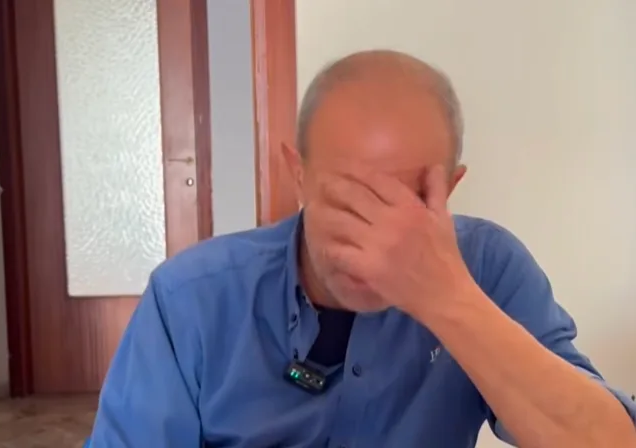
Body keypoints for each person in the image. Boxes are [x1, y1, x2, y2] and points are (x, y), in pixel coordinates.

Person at [88, 50, 636, 447]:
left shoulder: (489, 268)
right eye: (348, 201)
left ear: (451, 187)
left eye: (407, 202)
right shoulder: (191, 297)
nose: (376, 242)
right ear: (298, 175)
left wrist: (448, 301)